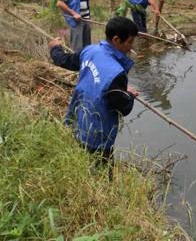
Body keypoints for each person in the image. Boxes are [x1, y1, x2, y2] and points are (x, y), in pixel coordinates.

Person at [48, 17, 140, 164]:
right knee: (102, 172)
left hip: (78, 120)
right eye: (129, 42)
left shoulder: (90, 50)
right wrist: (129, 95)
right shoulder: (117, 73)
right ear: (116, 40)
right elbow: (123, 108)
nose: (131, 47)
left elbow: (64, 61)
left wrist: (55, 48)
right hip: (98, 134)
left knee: (80, 162)